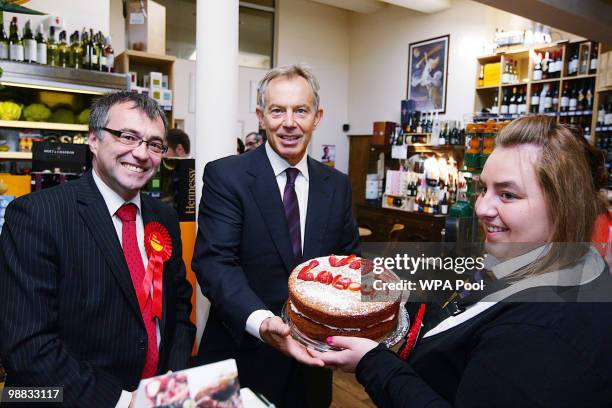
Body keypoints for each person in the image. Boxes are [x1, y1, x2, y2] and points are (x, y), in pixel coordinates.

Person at [309, 115, 612, 407]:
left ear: (564, 206)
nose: (482, 207)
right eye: (483, 188)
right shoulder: (541, 261)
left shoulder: (543, 332)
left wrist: (371, 363)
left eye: (507, 194)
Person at [0, 92, 196, 407]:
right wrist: (123, 401)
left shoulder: (164, 217)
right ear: (93, 139)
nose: (142, 153)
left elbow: (179, 310)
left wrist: (171, 383)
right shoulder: (38, 215)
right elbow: (27, 346)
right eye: (128, 136)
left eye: (155, 144)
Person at [192, 64, 360, 407]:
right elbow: (215, 263)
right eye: (277, 110)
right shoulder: (227, 176)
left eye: (300, 110)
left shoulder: (337, 184)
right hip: (241, 356)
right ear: (260, 116)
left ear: (317, 116)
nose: (289, 122)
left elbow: (348, 261)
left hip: (312, 367)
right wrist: (263, 322)